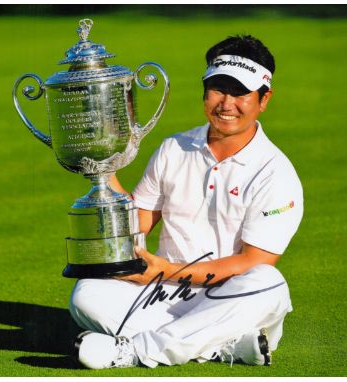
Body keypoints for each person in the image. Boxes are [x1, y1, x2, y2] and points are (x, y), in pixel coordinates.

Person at [69, 34, 304, 369]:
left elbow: (250, 262)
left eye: (240, 92)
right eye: (218, 88)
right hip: (164, 291)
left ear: (264, 99)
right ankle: (224, 346)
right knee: (87, 294)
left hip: (230, 296)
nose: (226, 103)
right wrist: (102, 168)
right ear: (204, 90)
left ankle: (132, 352)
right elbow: (137, 227)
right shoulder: (174, 149)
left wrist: (167, 269)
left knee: (268, 284)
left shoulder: (275, 173)